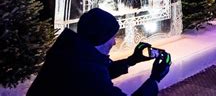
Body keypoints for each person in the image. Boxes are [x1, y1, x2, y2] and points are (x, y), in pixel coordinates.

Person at [27, 8, 171, 96]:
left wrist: (131, 60)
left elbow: (98, 71)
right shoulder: (87, 70)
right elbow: (93, 77)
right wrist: (155, 79)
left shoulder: (70, 51)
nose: (114, 42)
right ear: (100, 37)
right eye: (112, 37)